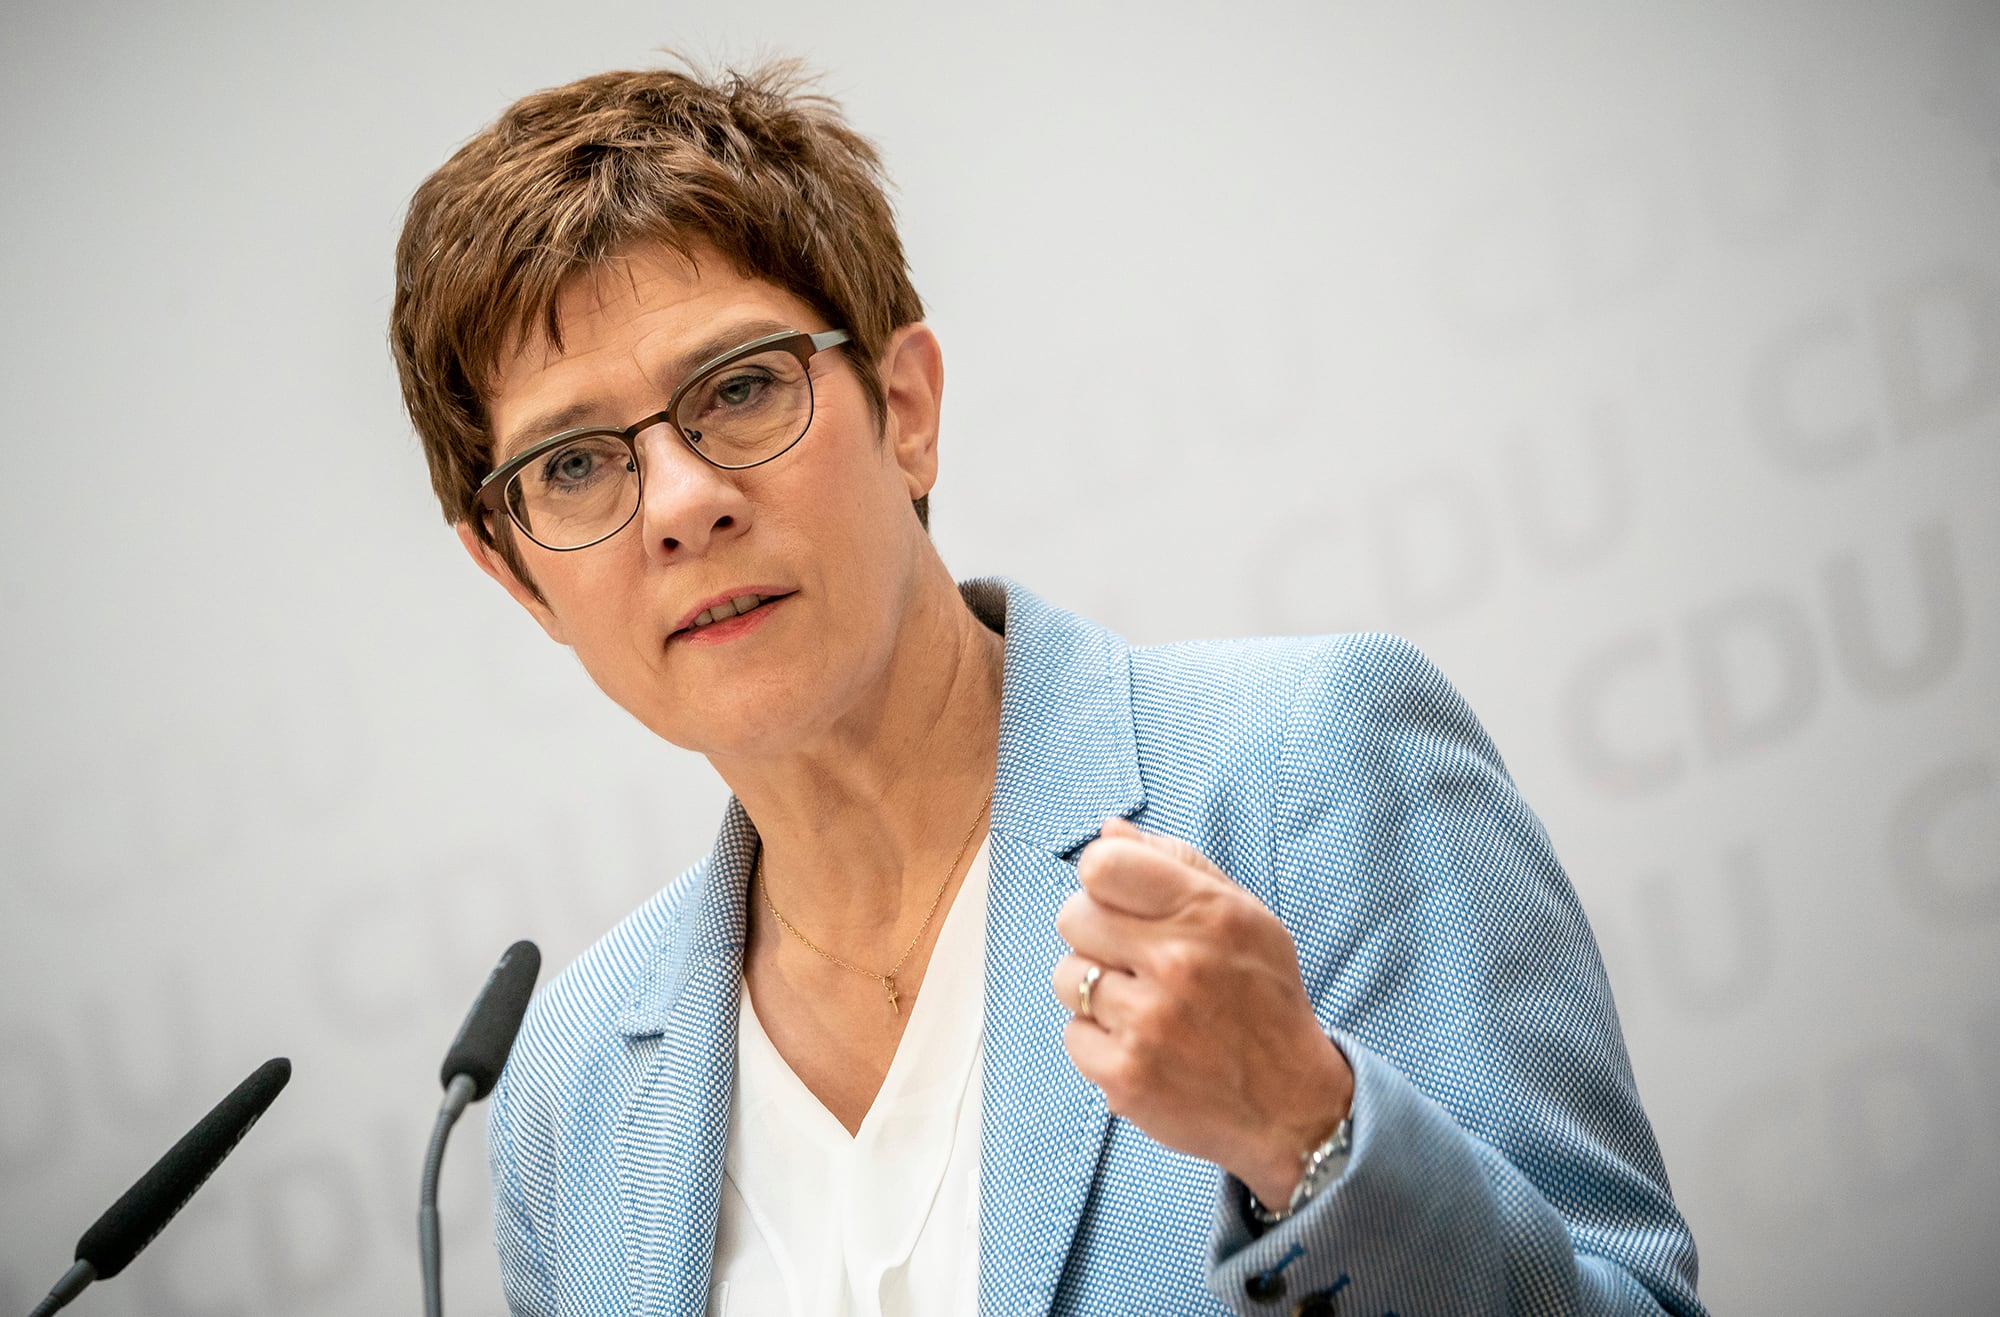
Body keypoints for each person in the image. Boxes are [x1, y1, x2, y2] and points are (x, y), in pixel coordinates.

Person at [390, 60, 1704, 1317]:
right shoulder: (564, 1086)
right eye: (571, 466)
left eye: (739, 390)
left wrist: (1315, 1129)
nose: (680, 504)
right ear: (514, 576)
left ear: (906, 409)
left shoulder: (1311, 764)